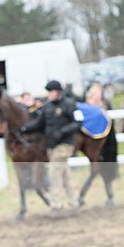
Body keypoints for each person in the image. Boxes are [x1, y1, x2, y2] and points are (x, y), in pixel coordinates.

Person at [21, 80, 81, 214]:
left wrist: (62, 132)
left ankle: (56, 205)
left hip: (64, 145)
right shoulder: (47, 107)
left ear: (58, 92)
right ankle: (73, 202)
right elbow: (39, 123)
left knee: (54, 173)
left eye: (51, 92)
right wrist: (24, 128)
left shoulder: (70, 104)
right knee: (65, 174)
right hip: (51, 146)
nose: (49, 94)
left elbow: (78, 123)